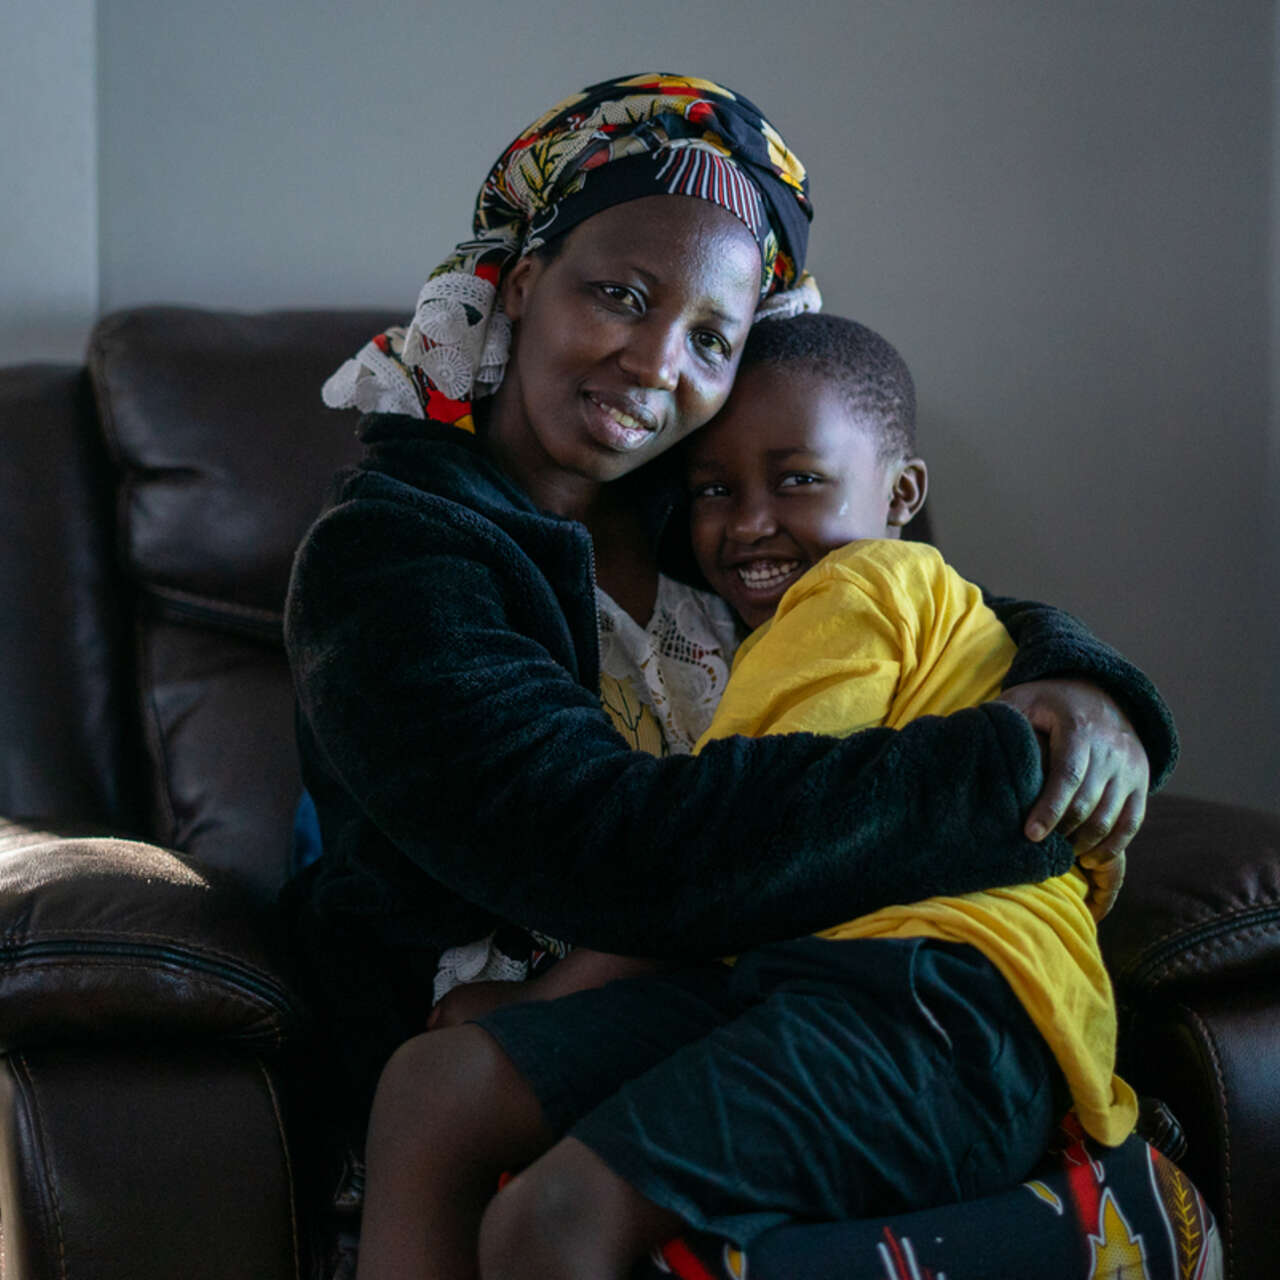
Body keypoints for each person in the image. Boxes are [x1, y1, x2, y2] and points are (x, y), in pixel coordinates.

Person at [282, 72, 1175, 1277]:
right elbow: (604, 846)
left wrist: (1085, 679)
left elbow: (914, 599)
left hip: (774, 976)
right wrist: (1007, 767)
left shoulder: (700, 507)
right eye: (619, 294)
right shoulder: (393, 554)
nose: (657, 363)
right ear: (523, 280)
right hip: (543, 994)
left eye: (712, 336)